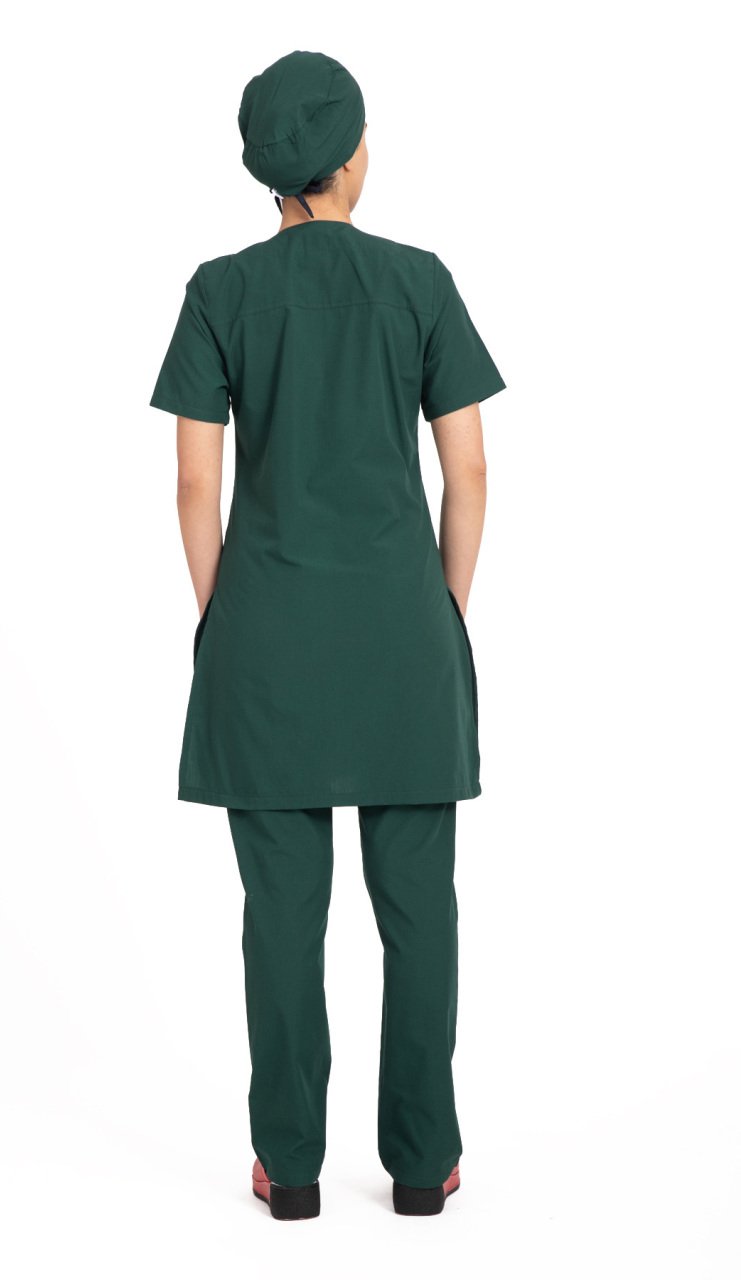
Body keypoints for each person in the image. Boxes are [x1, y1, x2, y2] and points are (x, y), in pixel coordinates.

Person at [149, 49, 506, 1220]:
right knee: (420, 908)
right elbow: (469, 471)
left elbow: (193, 486)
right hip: (402, 637)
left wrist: (226, 616)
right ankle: (423, 1163)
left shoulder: (220, 291)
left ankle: (289, 1165)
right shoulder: (418, 281)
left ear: (269, 169)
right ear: (351, 158)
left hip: (267, 641)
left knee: (281, 916)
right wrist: (441, 609)